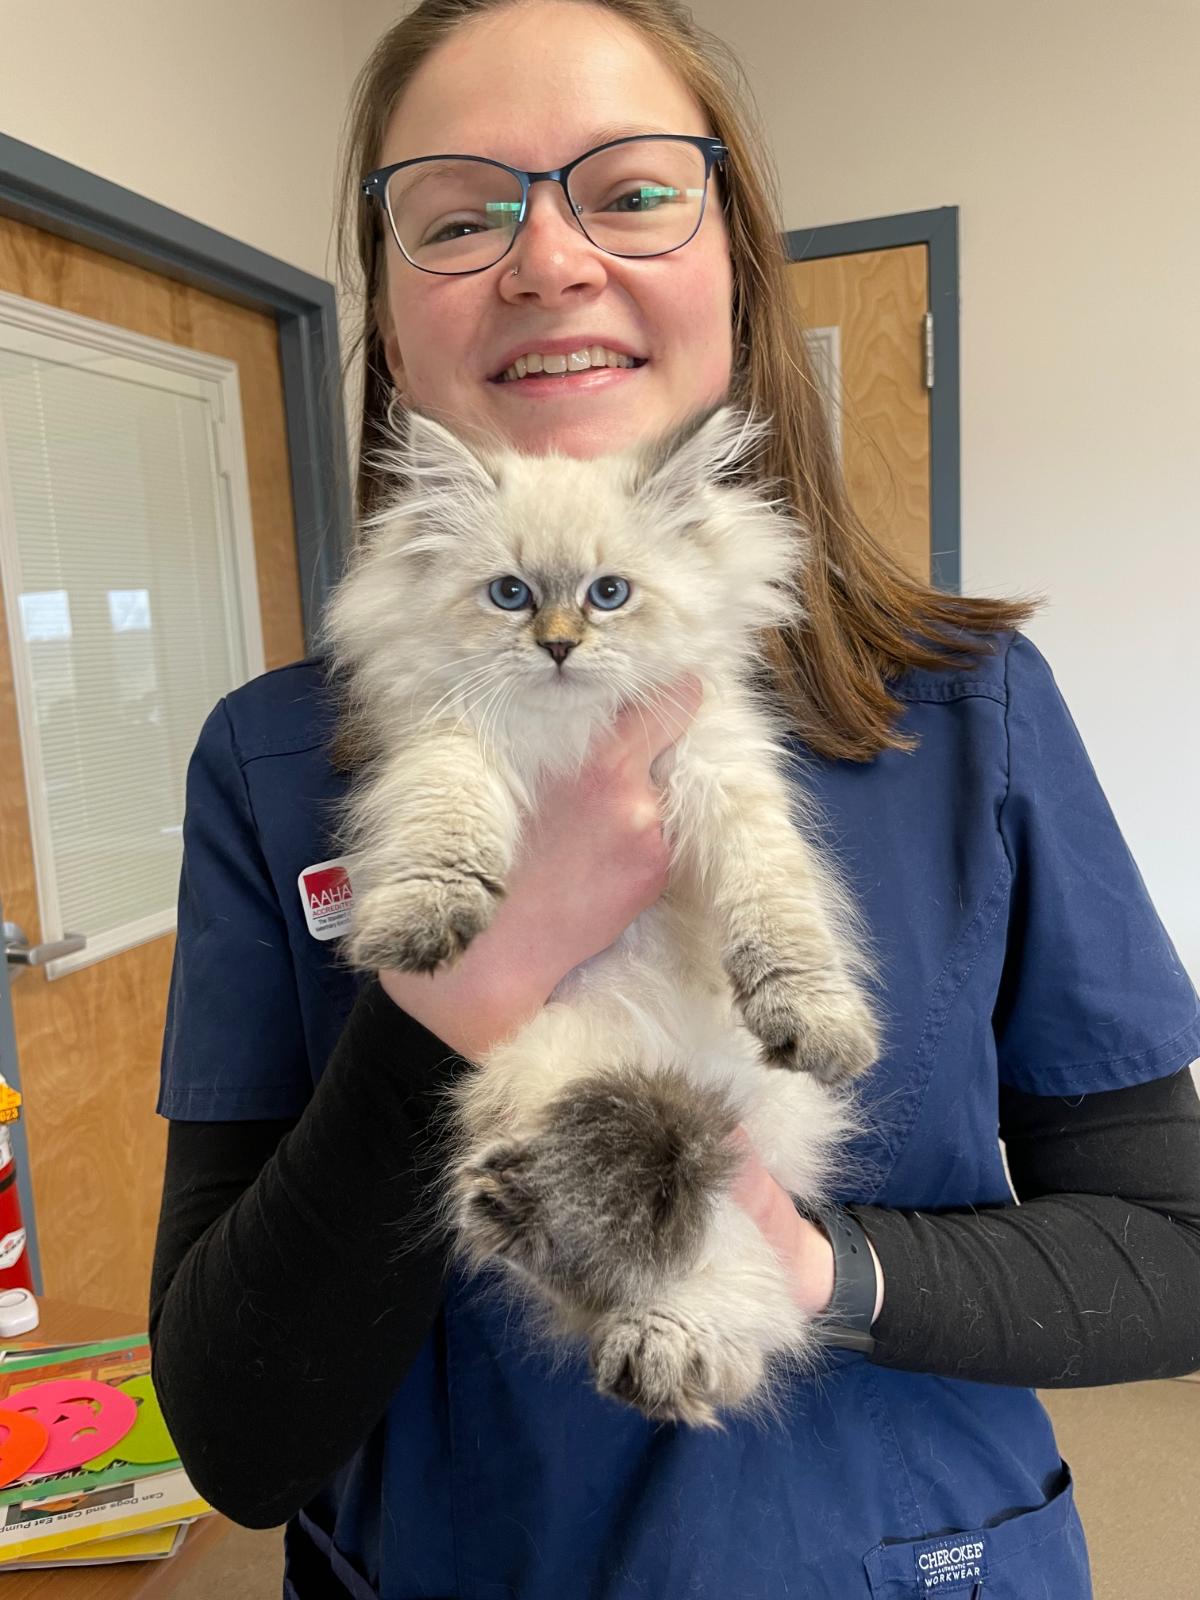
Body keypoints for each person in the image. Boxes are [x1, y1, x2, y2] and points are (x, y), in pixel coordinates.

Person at [149, 2, 1200, 1596]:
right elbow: (234, 1440)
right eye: (461, 214)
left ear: (738, 261)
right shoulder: (266, 760)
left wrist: (801, 1259)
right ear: (389, 312)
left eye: (630, 191)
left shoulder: (970, 708)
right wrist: (464, 993)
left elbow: (1173, 1250)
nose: (548, 261)